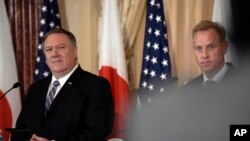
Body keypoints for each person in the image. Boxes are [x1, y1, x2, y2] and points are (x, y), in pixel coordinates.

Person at [11, 28, 114, 141]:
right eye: (49, 49)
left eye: (61, 47)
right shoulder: (36, 88)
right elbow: (20, 130)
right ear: (45, 57)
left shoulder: (96, 85)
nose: (54, 54)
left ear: (75, 51)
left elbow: (97, 131)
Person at [184, 20, 235, 88]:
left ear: (224, 47)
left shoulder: (244, 85)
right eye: (198, 48)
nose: (204, 55)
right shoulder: (187, 90)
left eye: (210, 47)